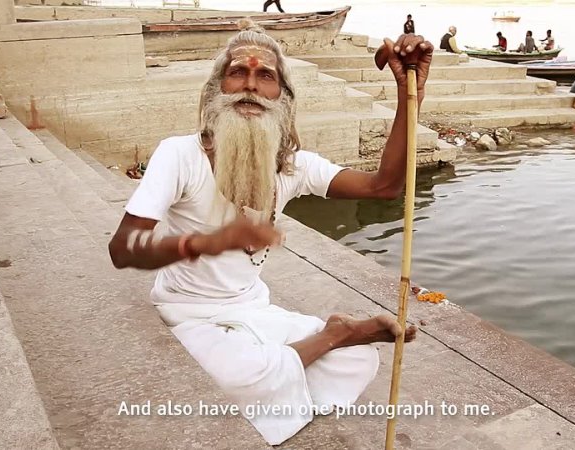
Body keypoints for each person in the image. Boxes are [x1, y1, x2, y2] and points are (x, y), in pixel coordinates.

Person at [108, 19, 431, 446]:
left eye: (266, 76)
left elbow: (383, 187)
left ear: (283, 97)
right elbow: (122, 249)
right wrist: (210, 242)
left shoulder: (293, 166)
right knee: (246, 375)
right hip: (188, 314)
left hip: (254, 311)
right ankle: (334, 334)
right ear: (216, 91)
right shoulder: (180, 154)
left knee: (357, 361)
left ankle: (317, 353)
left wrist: (411, 94)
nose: (251, 86)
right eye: (237, 72)